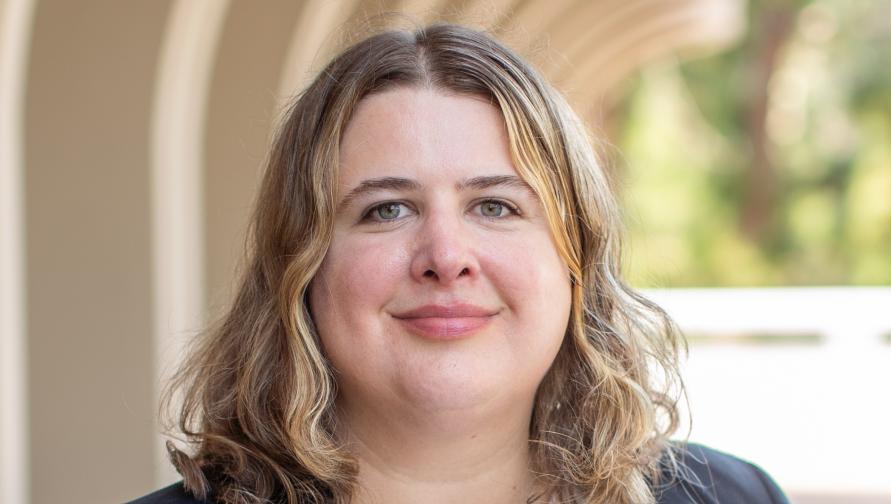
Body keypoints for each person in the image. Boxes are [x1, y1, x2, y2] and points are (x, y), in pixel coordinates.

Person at [129, 23, 788, 504]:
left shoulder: (731, 497)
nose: (445, 258)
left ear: (574, 255)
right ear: (301, 265)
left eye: (495, 206)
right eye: (386, 209)